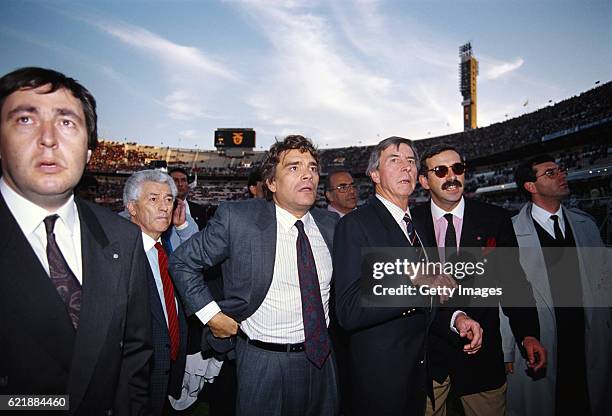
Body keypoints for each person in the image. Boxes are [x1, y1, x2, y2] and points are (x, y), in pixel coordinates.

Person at [0, 67, 151, 415]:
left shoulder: (122, 237)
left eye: (67, 122)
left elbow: (134, 357)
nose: (48, 138)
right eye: (25, 119)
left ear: (87, 152)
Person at [169, 135, 339, 416]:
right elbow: (182, 261)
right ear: (271, 183)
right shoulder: (239, 219)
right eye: (294, 167)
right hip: (264, 361)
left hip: (323, 359)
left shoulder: (331, 224)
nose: (308, 173)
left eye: (312, 166)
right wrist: (212, 315)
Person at [333, 136, 483, 416]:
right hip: (381, 382)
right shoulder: (355, 225)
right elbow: (348, 310)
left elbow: (426, 299)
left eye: (411, 161)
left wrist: (455, 318)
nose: (406, 168)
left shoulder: (417, 227)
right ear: (375, 174)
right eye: (395, 160)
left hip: (419, 375)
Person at [413, 144, 545, 416]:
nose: (452, 176)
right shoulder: (410, 223)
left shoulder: (494, 219)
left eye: (458, 168)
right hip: (429, 358)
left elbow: (513, 283)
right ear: (424, 181)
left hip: (481, 359)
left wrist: (528, 333)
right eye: (440, 170)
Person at [501, 154, 612, 415]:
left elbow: (603, 285)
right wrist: (508, 350)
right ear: (530, 186)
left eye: (561, 170)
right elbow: (504, 296)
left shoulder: (588, 226)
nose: (562, 175)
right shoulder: (509, 232)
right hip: (540, 341)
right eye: (551, 173)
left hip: (587, 340)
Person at [123, 170, 194, 416]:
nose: (164, 207)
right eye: (153, 199)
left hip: (168, 374)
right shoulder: (118, 257)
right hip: (134, 385)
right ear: (132, 207)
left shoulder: (168, 252)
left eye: (168, 199)